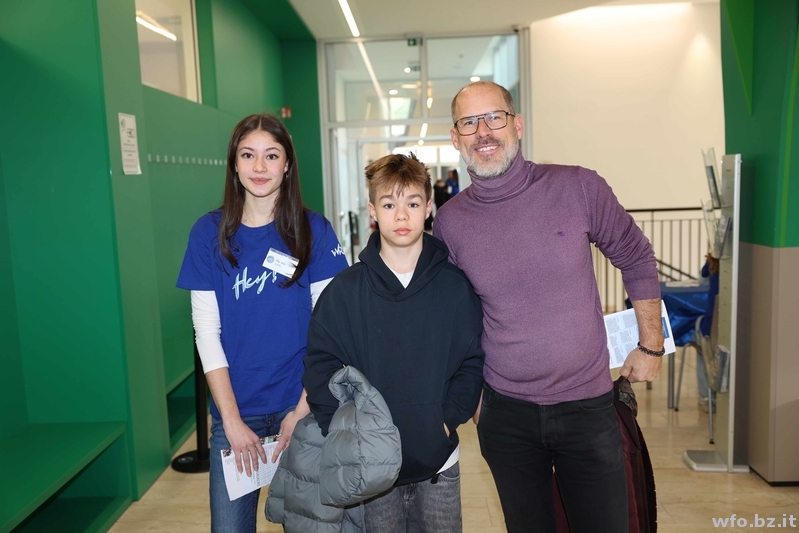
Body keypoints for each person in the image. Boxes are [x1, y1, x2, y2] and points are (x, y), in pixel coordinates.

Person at [433, 81, 664, 533]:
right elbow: (456, 318)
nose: (484, 132)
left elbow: (636, 256)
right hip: (506, 415)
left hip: (588, 406)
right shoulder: (450, 222)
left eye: (494, 117)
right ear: (456, 138)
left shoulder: (577, 186)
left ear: (517, 125)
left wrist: (651, 344)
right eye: (470, 122)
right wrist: (476, 402)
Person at [176, 113, 349, 532]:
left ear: (287, 165)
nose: (259, 167)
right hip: (237, 416)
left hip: (303, 410)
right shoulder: (207, 233)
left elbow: (332, 330)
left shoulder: (314, 230)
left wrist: (303, 409)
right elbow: (207, 334)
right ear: (234, 164)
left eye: (271, 155)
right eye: (247, 155)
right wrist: (231, 420)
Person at [303, 152, 485, 533]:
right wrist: (346, 432)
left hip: (439, 465)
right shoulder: (345, 292)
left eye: (412, 204)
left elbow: (471, 362)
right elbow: (320, 367)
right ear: (372, 211)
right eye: (389, 204)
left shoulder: (454, 288)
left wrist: (445, 420)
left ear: (429, 207)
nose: (401, 215)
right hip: (371, 473)